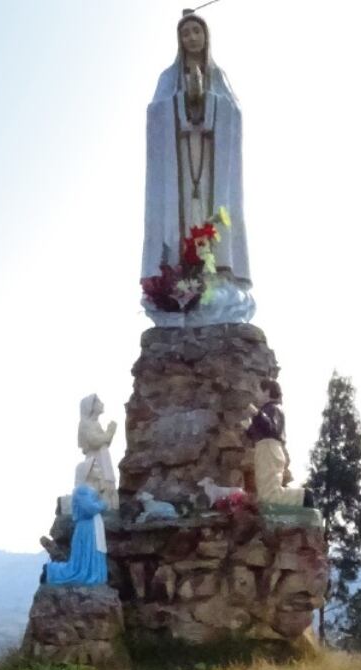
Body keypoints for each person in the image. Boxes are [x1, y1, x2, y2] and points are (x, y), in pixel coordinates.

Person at [141, 11, 254, 321]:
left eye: (196, 31)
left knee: (210, 217)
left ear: (205, 36)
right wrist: (182, 101)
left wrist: (208, 102)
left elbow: (234, 114)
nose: (191, 37)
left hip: (210, 167)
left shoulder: (219, 77)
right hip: (179, 164)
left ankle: (216, 280)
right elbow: (155, 115)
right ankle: (179, 285)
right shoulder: (168, 78)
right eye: (186, 33)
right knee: (183, 223)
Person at [246, 380, 308, 507]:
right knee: (265, 493)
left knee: (269, 494)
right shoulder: (269, 409)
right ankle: (302, 498)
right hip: (265, 449)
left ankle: (304, 497)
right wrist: (249, 428)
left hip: (269, 448)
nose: (256, 394)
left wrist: (257, 414)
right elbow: (260, 431)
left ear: (267, 391)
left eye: (258, 390)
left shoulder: (273, 408)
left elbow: (271, 428)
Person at [44, 485, 109, 587]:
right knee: (86, 555)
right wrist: (103, 503)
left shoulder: (90, 490)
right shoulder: (82, 490)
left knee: (92, 552)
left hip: (92, 527)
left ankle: (94, 575)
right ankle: (55, 571)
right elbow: (89, 508)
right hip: (87, 529)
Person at [77, 394, 119, 511]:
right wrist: (110, 432)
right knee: (98, 481)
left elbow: (104, 442)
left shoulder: (96, 424)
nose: (102, 404)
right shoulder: (85, 423)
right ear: (91, 406)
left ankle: (110, 507)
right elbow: (94, 441)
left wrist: (109, 433)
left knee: (108, 482)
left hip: (103, 456)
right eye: (98, 402)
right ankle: (102, 508)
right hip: (96, 458)